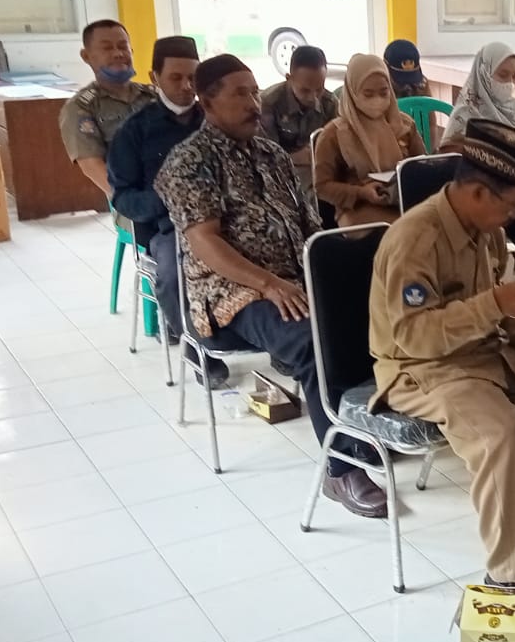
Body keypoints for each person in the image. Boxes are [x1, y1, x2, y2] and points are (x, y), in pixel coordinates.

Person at [154, 55, 386, 519]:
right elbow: (205, 243)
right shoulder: (190, 161)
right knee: (315, 344)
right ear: (207, 100)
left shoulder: (272, 155)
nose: (253, 102)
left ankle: (360, 427)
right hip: (230, 294)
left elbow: (306, 226)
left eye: (255, 92)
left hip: (294, 278)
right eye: (239, 93)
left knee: (379, 317)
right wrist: (268, 283)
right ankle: (340, 470)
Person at [368, 118, 515, 631]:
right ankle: (511, 578)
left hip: (483, 352)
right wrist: (494, 305)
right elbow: (412, 337)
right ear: (477, 192)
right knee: (498, 432)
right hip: (422, 369)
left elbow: (501, 312)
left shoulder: (488, 231)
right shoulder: (414, 238)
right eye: (512, 203)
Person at [106, 36, 230, 387]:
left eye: (193, 77)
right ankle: (197, 347)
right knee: (175, 273)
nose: (187, 86)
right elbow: (124, 197)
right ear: (154, 77)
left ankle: (277, 340)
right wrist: (170, 200)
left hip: (226, 219)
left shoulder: (215, 119)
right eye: (175, 77)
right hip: (168, 227)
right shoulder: (136, 130)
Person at [437, 43, 515, 257]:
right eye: (503, 75)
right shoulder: (468, 112)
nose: (510, 83)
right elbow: (450, 157)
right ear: (484, 73)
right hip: (493, 190)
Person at [313, 54, 426, 226]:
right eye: (368, 94)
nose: (377, 100)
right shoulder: (335, 134)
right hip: (358, 208)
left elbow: (423, 165)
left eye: (383, 92)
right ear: (352, 92)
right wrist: (360, 192)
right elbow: (322, 186)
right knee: (397, 234)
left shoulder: (404, 125)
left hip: (405, 202)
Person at [60, 19, 158, 197]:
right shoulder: (81, 107)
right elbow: (91, 165)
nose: (118, 53)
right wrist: (132, 201)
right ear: (86, 56)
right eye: (107, 48)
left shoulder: (155, 96)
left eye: (123, 46)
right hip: (130, 200)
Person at [261, 45, 338, 203]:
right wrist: (294, 157)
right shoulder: (269, 103)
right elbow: (264, 156)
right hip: (281, 171)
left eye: (319, 89)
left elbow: (339, 147)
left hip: (321, 168)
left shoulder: (329, 103)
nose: (313, 97)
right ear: (289, 78)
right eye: (305, 90)